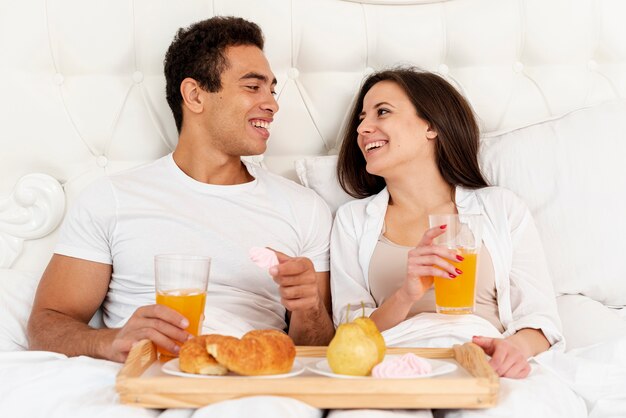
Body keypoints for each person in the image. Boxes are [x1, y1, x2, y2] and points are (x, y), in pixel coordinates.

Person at [27, 16, 334, 363]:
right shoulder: (111, 199)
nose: (272, 104)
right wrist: (109, 343)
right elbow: (46, 323)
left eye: (272, 89)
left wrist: (309, 309)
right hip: (148, 377)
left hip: (250, 381)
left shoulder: (304, 209)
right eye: (253, 87)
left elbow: (317, 351)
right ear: (195, 95)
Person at [328, 68, 586, 417]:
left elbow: (539, 319)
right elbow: (349, 335)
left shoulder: (499, 208)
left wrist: (513, 348)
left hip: (480, 357)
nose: (362, 128)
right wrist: (406, 293)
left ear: (431, 125)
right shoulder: (352, 221)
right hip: (395, 362)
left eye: (382, 112)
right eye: (361, 118)